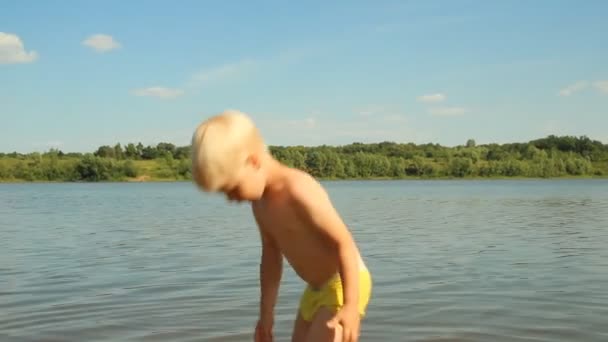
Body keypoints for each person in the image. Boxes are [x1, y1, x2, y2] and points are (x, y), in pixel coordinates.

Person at [191, 110, 372, 342]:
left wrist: (350, 305)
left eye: (232, 188)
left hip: (343, 284)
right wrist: (266, 315)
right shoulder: (260, 205)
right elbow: (271, 258)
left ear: (253, 161)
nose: (231, 199)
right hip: (314, 291)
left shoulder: (297, 189)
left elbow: (344, 243)